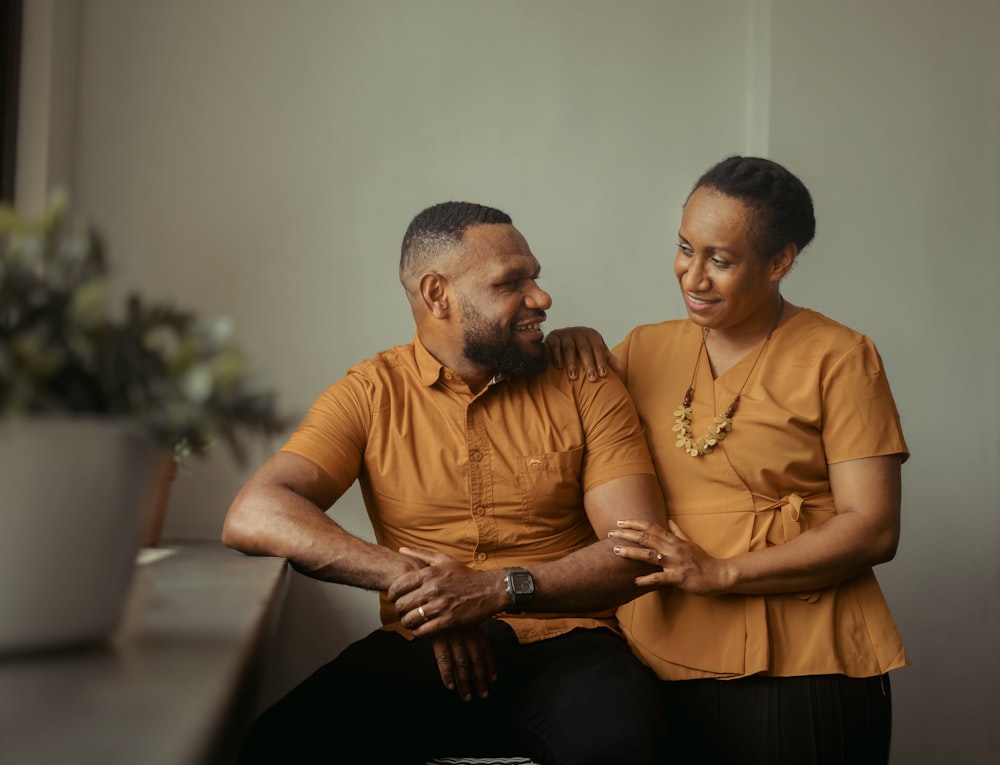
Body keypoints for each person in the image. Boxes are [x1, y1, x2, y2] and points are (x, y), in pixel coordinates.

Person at [222, 201, 671, 764]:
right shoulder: (369, 393)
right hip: (423, 643)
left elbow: (639, 549)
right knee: (278, 747)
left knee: (622, 751)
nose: (541, 298)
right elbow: (255, 511)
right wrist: (425, 589)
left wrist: (495, 590)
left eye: (535, 275)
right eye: (512, 282)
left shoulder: (583, 381)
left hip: (569, 643)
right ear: (438, 295)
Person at [546, 156, 909, 764]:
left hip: (803, 661)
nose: (693, 276)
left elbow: (874, 526)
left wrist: (722, 573)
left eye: (721, 259)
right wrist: (566, 341)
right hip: (656, 654)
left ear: (779, 263)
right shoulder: (643, 348)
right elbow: (564, 434)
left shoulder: (840, 356)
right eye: (685, 248)